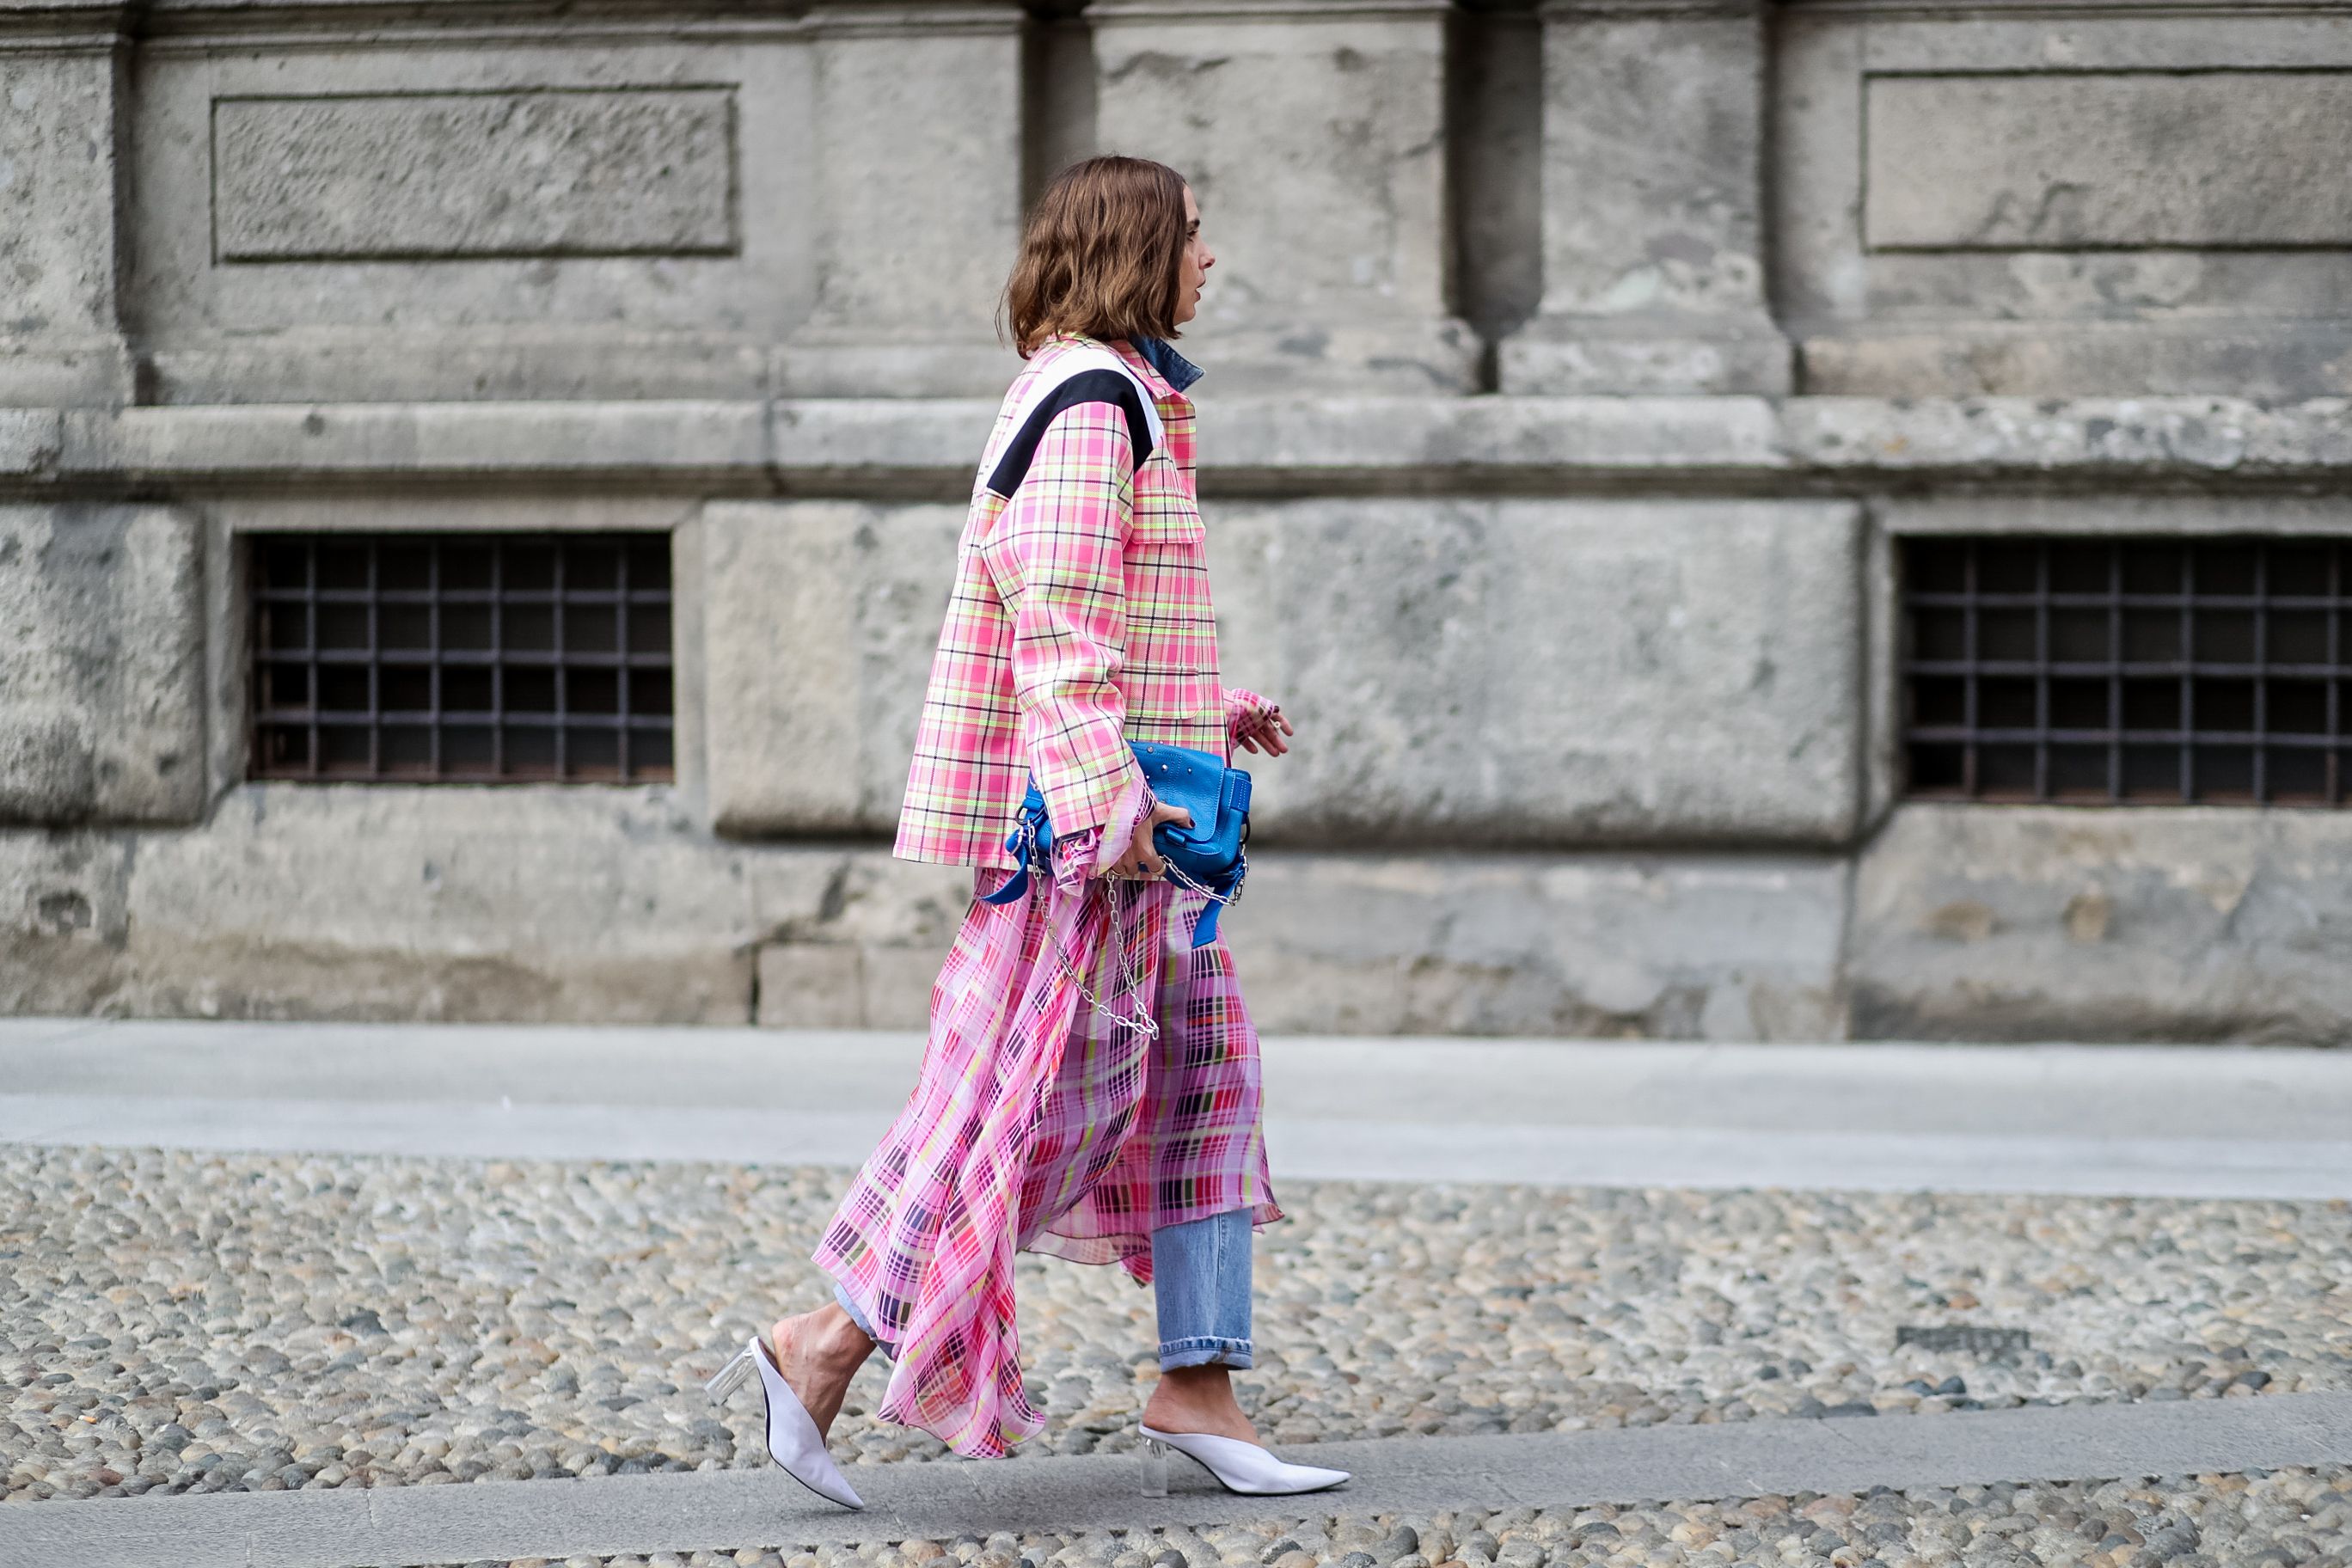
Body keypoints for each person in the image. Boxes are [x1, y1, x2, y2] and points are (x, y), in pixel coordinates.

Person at [704, 155, 1347, 1507]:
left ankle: (1199, 1384)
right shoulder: (1095, 397)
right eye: (1192, 235)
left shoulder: (1108, 393)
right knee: (1032, 1109)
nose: (1210, 258)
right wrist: (1110, 797)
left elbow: (1081, 614)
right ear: (1136, 250)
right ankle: (820, 1343)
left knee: (1199, 1099)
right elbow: (1048, 607)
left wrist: (1200, 711)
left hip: (1138, 822)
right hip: (1100, 844)